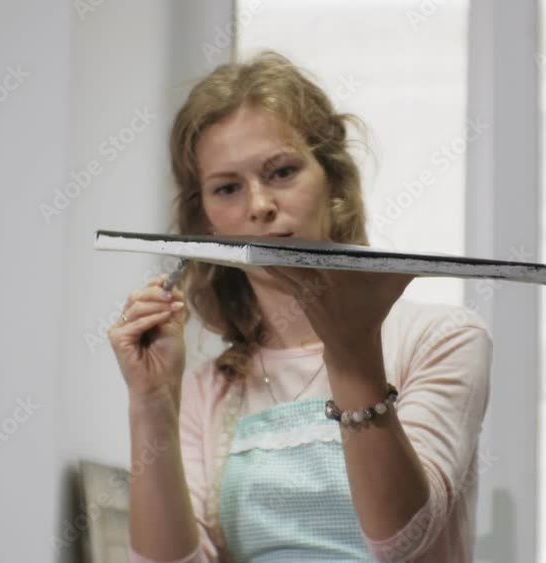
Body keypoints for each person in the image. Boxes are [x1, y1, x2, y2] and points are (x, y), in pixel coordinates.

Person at [111, 51, 494, 563]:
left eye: (282, 172)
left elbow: (402, 540)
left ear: (333, 180)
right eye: (228, 188)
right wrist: (151, 402)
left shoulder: (442, 339)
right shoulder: (209, 392)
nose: (260, 206)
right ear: (205, 224)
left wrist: (351, 351)